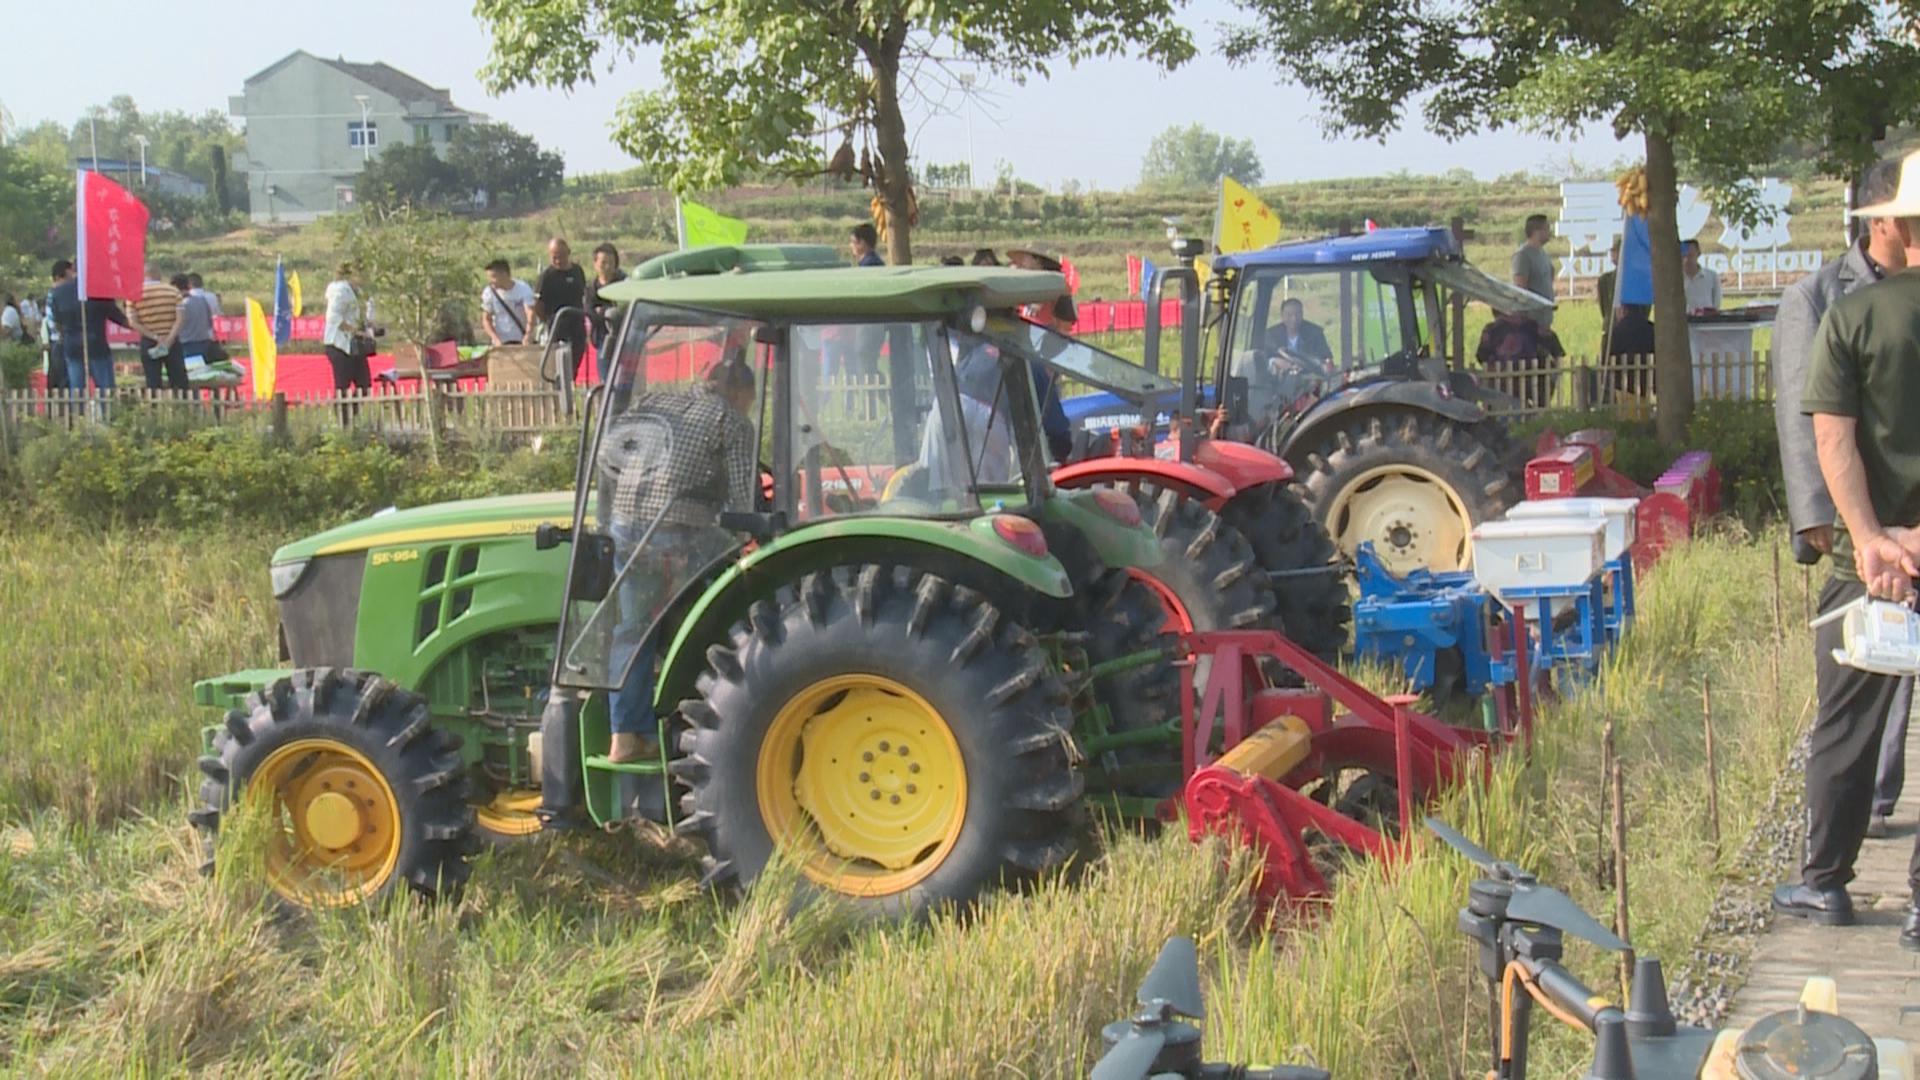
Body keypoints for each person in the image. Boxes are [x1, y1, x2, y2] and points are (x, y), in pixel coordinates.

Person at [1773, 146, 1920, 947]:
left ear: (1893, 223)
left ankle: (1827, 879)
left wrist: (1871, 538)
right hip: (1886, 545)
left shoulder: (1856, 317)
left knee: (1845, 722)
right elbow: (1815, 435)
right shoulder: (1823, 300)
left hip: (1869, 557)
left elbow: (1832, 439)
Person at [600, 357, 759, 762]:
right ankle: (705, 703)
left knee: (631, 631)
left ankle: (624, 734)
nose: (747, 408)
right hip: (675, 535)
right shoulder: (733, 422)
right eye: (749, 401)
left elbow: (609, 454)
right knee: (721, 607)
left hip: (624, 526)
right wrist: (751, 537)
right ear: (739, 393)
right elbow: (744, 500)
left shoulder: (653, 404)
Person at [46, 258, 129, 392]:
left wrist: (66, 334)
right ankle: (107, 412)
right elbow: (118, 317)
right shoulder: (100, 290)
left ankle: (78, 413)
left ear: (74, 268)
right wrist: (139, 327)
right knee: (105, 389)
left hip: (72, 347)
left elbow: (56, 322)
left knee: (77, 390)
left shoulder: (58, 293)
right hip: (97, 347)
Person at [1475, 309, 1565, 408]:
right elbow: (1482, 356)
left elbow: (1557, 355)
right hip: (1505, 384)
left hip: (1529, 383)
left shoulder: (1535, 329)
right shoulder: (1493, 330)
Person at [535, 238, 589, 379]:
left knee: (576, 359)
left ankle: (572, 383)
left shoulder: (577, 271)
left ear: (568, 253)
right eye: (554, 257)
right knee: (559, 363)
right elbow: (538, 305)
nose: (558, 261)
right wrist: (547, 320)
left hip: (577, 324)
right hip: (557, 327)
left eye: (561, 256)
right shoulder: (546, 276)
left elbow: (583, 294)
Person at [322, 263, 371, 421]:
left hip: (354, 344)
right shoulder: (340, 290)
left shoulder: (362, 293)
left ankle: (353, 416)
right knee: (342, 385)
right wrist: (355, 330)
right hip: (338, 343)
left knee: (364, 383)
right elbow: (333, 317)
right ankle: (342, 421)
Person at [124, 276, 188, 392]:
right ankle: (181, 406)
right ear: (159, 276)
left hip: (150, 341)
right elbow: (181, 319)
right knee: (178, 379)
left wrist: (155, 337)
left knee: (153, 381)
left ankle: (154, 407)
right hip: (172, 342)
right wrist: (169, 338)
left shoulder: (133, 294)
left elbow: (132, 322)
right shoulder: (173, 291)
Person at [585, 242, 628, 382]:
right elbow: (590, 313)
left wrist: (603, 311)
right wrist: (604, 313)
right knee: (606, 381)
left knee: (626, 382)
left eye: (611, 262)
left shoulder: (624, 283)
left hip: (626, 340)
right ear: (595, 264)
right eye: (603, 263)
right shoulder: (592, 288)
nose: (607, 267)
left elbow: (625, 310)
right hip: (602, 340)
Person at [170, 273, 219, 384]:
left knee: (189, 379)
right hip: (204, 343)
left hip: (186, 345)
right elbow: (209, 323)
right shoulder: (201, 300)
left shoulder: (180, 305)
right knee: (204, 378)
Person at [1511, 213, 1556, 328]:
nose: (1549, 233)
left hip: (1545, 321)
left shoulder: (1543, 253)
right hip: (1530, 324)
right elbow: (1520, 288)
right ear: (1537, 232)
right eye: (1547, 229)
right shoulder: (1523, 255)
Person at [480, 259, 536, 347]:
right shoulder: (489, 292)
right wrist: (495, 339)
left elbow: (530, 313)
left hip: (522, 341)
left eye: (493, 277)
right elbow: (486, 319)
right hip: (501, 343)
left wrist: (528, 335)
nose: (491, 281)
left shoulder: (523, 288)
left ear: (504, 274)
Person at [1271, 298, 1332, 362]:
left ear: (1302, 314)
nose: (1294, 319)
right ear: (1282, 316)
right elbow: (1265, 358)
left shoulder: (1315, 333)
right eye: (1289, 315)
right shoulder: (1272, 335)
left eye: (1297, 314)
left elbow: (1326, 358)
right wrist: (1276, 361)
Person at [1681, 240, 1722, 313]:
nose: (1687, 259)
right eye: (1684, 256)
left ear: (1698, 254)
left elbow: (1717, 303)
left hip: (1706, 321)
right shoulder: (1675, 280)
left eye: (1691, 255)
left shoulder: (1712, 276)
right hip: (1683, 321)